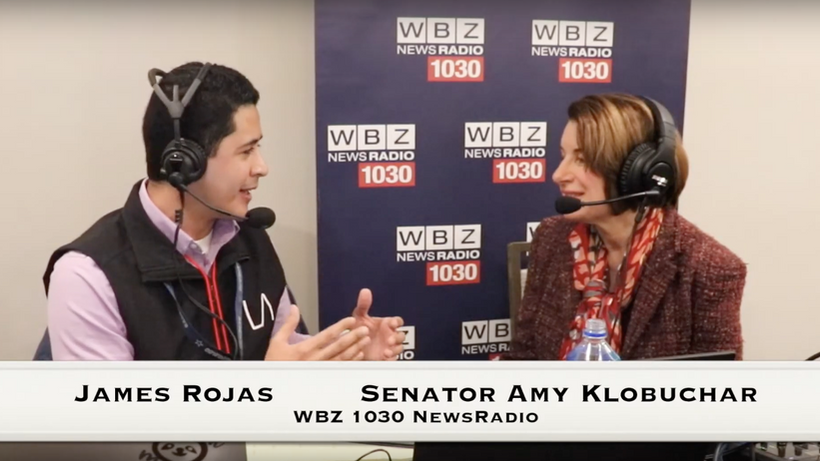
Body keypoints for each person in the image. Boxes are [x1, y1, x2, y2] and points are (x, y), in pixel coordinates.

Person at [43, 62, 405, 361]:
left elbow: (284, 354)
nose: (262, 167)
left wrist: (348, 354)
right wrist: (264, 392)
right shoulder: (88, 275)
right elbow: (112, 428)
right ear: (184, 163)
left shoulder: (250, 238)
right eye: (246, 151)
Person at [505, 93, 746, 361]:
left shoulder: (709, 268)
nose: (559, 174)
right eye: (563, 156)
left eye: (582, 160)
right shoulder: (552, 237)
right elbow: (523, 357)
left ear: (637, 173)